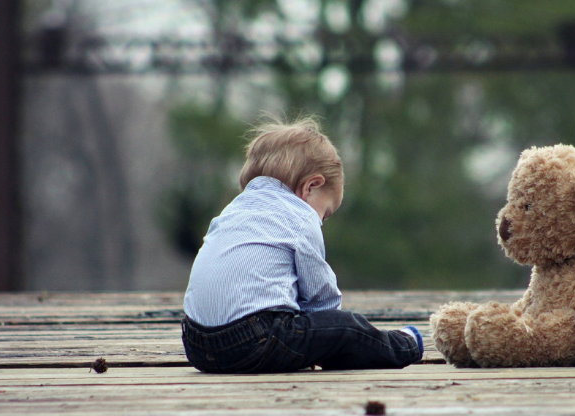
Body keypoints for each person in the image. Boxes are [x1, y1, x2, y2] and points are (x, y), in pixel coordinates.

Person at [181, 115, 423, 373]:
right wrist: (328, 335)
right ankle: (405, 344)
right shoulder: (300, 215)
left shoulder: (232, 210)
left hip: (196, 344)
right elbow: (321, 298)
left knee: (310, 332)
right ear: (311, 186)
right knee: (348, 328)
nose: (321, 221)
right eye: (326, 213)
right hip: (253, 341)